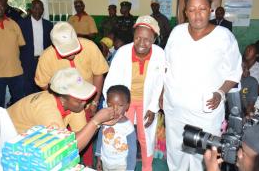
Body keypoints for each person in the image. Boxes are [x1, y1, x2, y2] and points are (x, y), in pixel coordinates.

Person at [163, 0, 242, 171]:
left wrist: (220, 93)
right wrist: (161, 93)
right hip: (175, 110)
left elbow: (234, 73)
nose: (197, 14)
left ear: (211, 10)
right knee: (177, 154)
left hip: (206, 112)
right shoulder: (177, 32)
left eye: (202, 9)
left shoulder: (224, 37)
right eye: (192, 10)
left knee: (206, 157)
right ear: (185, 12)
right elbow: (165, 66)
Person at [35, 21, 108, 167]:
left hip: (88, 101)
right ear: (55, 46)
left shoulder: (90, 47)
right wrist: (61, 102)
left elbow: (98, 73)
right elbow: (43, 84)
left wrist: (94, 102)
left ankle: (87, 166)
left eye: (74, 49)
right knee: (62, 143)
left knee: (85, 136)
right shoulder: (47, 57)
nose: (72, 54)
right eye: (66, 52)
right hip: (62, 106)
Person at [103, 15, 165, 171]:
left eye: (147, 39)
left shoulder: (159, 54)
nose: (142, 43)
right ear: (133, 35)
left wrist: (152, 108)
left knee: (146, 138)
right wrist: (114, 106)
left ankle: (147, 167)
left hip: (147, 101)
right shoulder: (123, 53)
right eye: (138, 38)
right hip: (125, 103)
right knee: (122, 135)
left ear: (155, 39)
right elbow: (110, 82)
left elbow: (159, 83)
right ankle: (123, 166)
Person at [0, 0, 25, 108]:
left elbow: (21, 44)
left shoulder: (13, 24)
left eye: (2, 5)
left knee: (19, 102)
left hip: (16, 72)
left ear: (5, 7)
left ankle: (17, 124)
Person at [96, 85, 137, 171]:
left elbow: (132, 152)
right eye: (110, 105)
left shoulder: (128, 128)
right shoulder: (105, 121)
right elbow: (100, 138)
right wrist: (99, 157)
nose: (115, 109)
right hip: (105, 161)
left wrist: (130, 169)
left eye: (120, 105)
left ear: (127, 106)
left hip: (121, 165)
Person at [18, 0, 53, 95]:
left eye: (40, 8)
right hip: (27, 61)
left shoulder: (48, 25)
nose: (37, 10)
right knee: (27, 87)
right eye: (35, 8)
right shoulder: (21, 24)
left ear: (43, 10)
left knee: (42, 86)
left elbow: (51, 44)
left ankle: (39, 106)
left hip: (43, 60)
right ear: (31, 9)